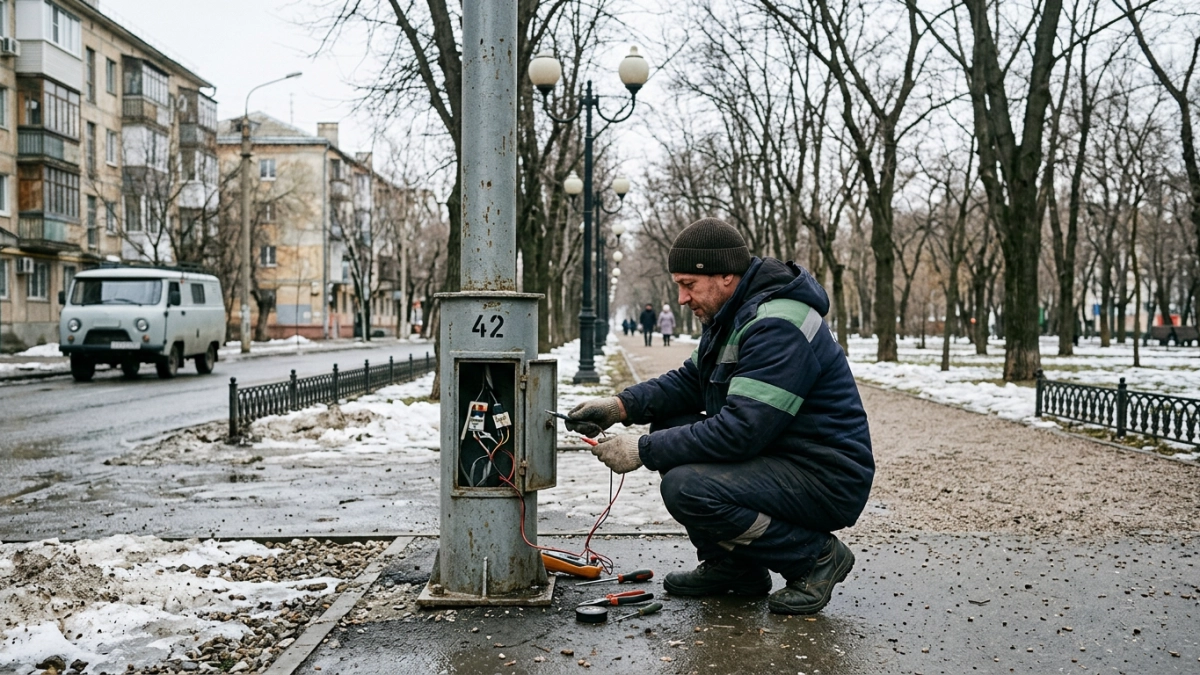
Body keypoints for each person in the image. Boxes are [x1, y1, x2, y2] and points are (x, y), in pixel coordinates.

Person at [566, 217, 873, 616]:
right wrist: (619, 407)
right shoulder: (736, 315)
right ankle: (736, 569)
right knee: (670, 425)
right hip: (785, 457)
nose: (680, 298)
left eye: (688, 285)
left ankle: (815, 558)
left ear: (726, 275)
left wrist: (642, 449)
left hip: (825, 476)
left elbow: (741, 431)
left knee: (687, 486)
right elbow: (690, 382)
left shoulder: (778, 324)